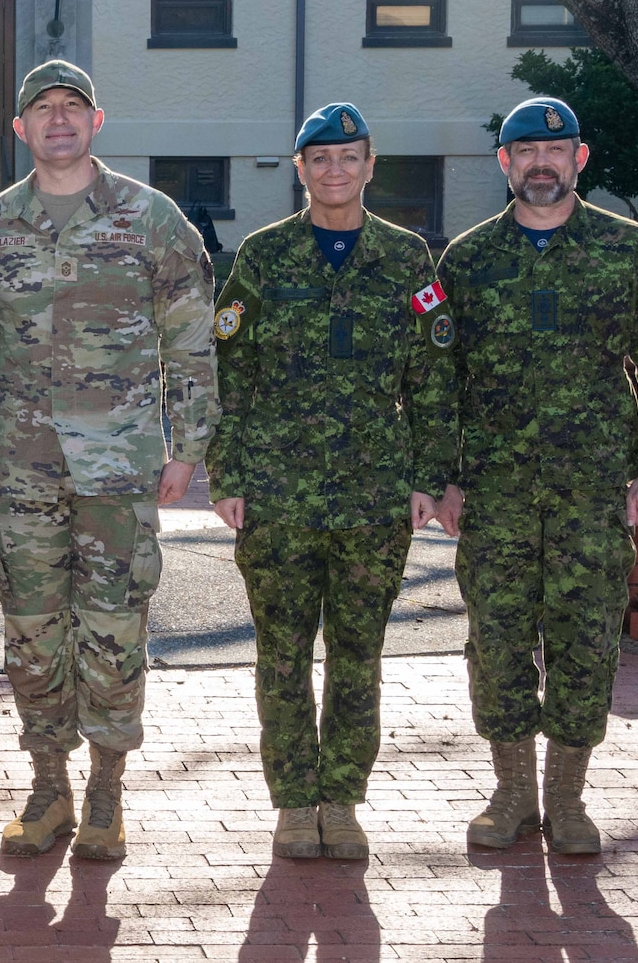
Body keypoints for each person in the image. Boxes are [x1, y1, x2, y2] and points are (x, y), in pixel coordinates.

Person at [0, 59, 216, 861]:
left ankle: (105, 790)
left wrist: (188, 444)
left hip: (121, 468)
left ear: (97, 121)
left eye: (73, 106)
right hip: (24, 468)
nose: (57, 119)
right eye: (42, 109)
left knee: (112, 628)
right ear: (20, 129)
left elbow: (192, 339)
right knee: (30, 630)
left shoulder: (152, 219)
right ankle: (48, 784)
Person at [438, 96, 638, 855]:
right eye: (525, 151)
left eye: (555, 150)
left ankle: (569, 798)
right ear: (505, 162)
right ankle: (512, 793)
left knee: (586, 643)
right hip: (496, 496)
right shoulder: (470, 260)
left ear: (580, 159)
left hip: (594, 492)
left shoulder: (628, 248)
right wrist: (443, 477)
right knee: (499, 643)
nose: (540, 163)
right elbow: (435, 377)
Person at [207, 103, 458, 861]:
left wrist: (428, 475)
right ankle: (293, 803)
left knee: (358, 655)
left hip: (374, 496)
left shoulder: (409, 258)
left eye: (350, 156)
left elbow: (434, 373)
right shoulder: (263, 255)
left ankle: (342, 800)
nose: (336, 170)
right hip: (278, 498)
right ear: (301, 170)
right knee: (282, 655)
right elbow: (229, 370)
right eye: (321, 159)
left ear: (370, 165)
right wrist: (228, 474)